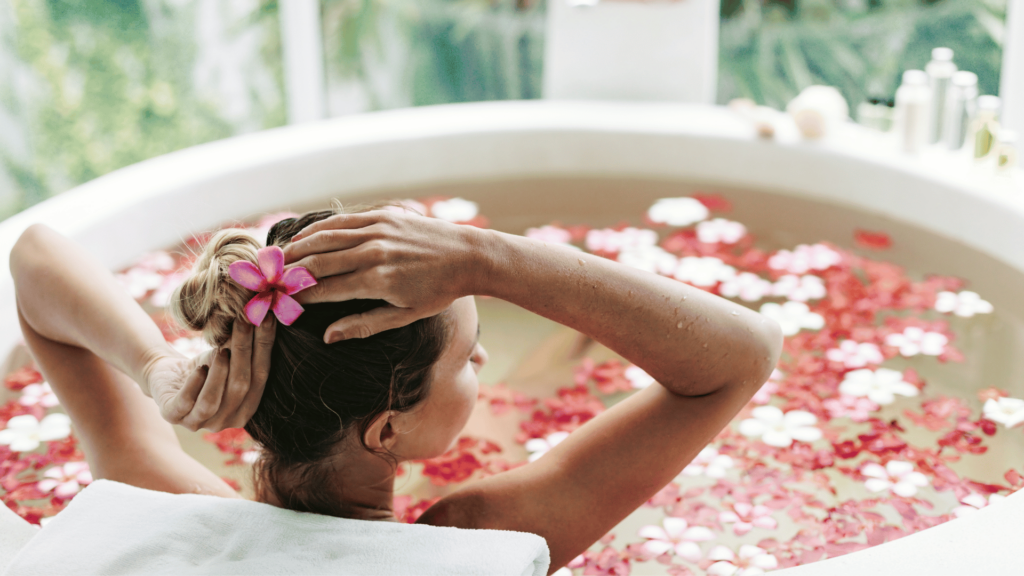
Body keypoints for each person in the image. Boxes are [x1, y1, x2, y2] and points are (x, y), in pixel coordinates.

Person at [9, 204, 782, 574]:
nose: (480, 368)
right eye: (470, 357)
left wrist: (153, 367)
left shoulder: (167, 507)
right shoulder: (469, 543)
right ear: (385, 432)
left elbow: (36, 259)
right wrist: (486, 258)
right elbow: (741, 354)